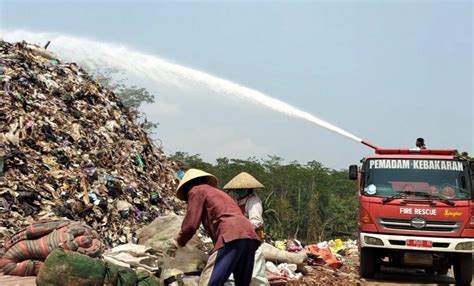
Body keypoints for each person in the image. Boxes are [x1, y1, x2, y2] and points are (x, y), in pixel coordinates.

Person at [175, 168, 261, 286]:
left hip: (231, 235)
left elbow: (190, 226)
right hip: (250, 236)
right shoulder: (218, 193)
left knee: (209, 282)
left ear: (187, 187)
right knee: (242, 283)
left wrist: (179, 242)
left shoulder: (196, 191)